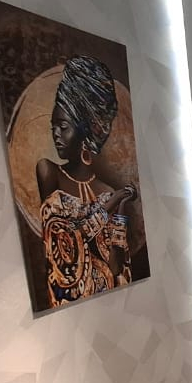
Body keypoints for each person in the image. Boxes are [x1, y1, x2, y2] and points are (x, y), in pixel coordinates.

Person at [35, 56, 139, 307]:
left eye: (63, 126)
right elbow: (69, 240)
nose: (56, 134)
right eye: (53, 126)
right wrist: (113, 201)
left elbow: (116, 268)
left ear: (84, 131)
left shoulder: (105, 190)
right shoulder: (48, 172)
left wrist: (120, 209)